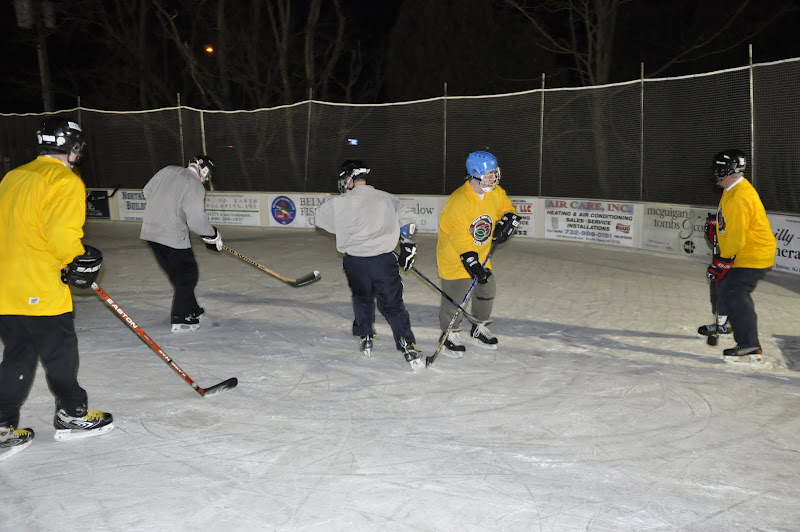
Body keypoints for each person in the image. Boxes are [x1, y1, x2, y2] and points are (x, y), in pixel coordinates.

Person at [0, 117, 114, 458]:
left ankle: (2, 426)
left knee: (18, 354)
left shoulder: (13, 176)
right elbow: (62, 235)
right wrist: (78, 260)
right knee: (60, 352)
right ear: (73, 147)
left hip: (6, 285)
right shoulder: (64, 179)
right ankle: (72, 413)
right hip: (40, 285)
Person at [314, 160, 423, 370]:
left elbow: (320, 219)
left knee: (362, 298)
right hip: (383, 261)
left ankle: (365, 335)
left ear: (349, 179)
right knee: (392, 305)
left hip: (355, 262)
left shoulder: (338, 202)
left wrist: (345, 226)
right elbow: (409, 219)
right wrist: (408, 245)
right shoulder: (386, 198)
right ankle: (407, 344)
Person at [436, 150, 520, 356]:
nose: (494, 177)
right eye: (490, 174)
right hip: (456, 257)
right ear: (475, 174)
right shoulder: (459, 200)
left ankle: (478, 327)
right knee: (456, 298)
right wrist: (471, 261)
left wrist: (508, 219)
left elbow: (507, 207)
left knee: (487, 289)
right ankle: (449, 333)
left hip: (481, 255)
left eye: (494, 173)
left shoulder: (495, 193)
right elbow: (459, 236)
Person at [698, 149, 776, 357]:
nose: (715, 174)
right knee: (719, 283)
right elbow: (730, 225)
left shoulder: (740, 196)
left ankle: (750, 344)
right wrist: (717, 228)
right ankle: (723, 323)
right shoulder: (732, 189)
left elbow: (737, 238)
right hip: (741, 251)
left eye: (718, 170)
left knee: (735, 292)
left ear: (726, 171)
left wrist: (722, 261)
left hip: (753, 254)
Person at [140, 155, 223, 332]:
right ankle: (181, 316)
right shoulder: (195, 185)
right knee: (188, 275)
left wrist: (169, 209)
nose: (206, 179)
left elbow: (147, 191)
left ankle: (191, 308)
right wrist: (212, 235)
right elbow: (196, 221)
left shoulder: (168, 170)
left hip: (150, 232)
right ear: (204, 170)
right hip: (171, 236)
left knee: (178, 275)